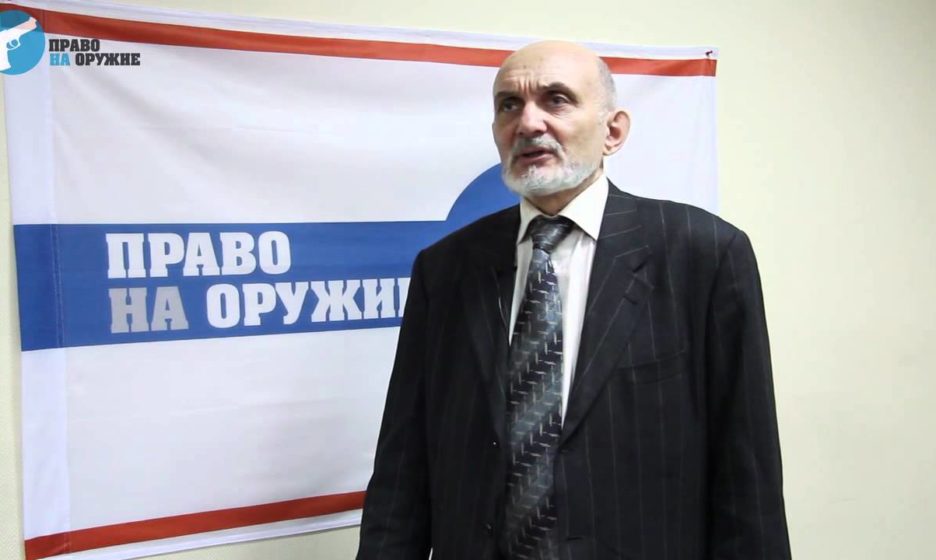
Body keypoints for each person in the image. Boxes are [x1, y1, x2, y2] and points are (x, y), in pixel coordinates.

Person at [357, 40, 791, 560]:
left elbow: (747, 472)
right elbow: (403, 467)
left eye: (556, 100)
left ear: (613, 131)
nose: (528, 123)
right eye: (509, 105)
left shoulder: (703, 254)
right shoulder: (445, 268)